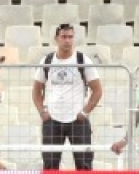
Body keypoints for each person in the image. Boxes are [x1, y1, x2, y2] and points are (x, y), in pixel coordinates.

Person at [33, 23, 103, 171]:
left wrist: (85, 112)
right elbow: (36, 90)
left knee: (84, 165)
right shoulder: (47, 61)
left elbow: (97, 90)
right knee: (50, 165)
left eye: (70, 37)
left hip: (77, 120)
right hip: (52, 120)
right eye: (64, 37)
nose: (67, 40)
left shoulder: (82, 60)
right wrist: (42, 111)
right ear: (56, 39)